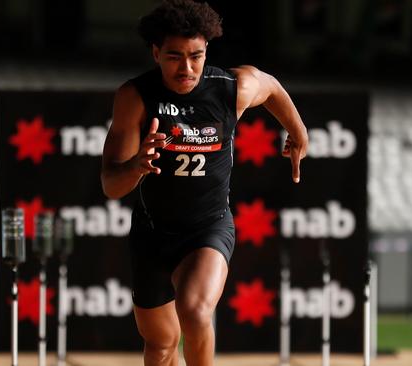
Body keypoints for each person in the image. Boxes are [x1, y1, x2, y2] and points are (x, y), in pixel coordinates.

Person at [101, 0, 308, 365]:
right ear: (155, 52)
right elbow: (111, 186)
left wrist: (298, 132)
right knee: (161, 345)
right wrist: (137, 165)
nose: (186, 67)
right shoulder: (135, 98)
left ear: (207, 50)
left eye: (195, 56)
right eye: (174, 56)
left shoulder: (230, 88)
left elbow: (272, 87)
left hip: (208, 227)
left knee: (196, 312)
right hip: (152, 234)